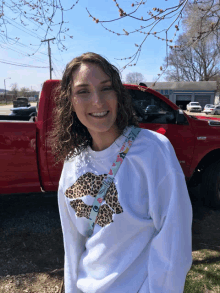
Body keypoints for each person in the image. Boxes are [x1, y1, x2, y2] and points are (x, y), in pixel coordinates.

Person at [49, 52, 192, 293]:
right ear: (70, 101)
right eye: (83, 91)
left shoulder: (153, 150)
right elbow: (73, 244)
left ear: (117, 95)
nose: (97, 101)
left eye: (106, 88)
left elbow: (174, 242)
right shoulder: (73, 162)